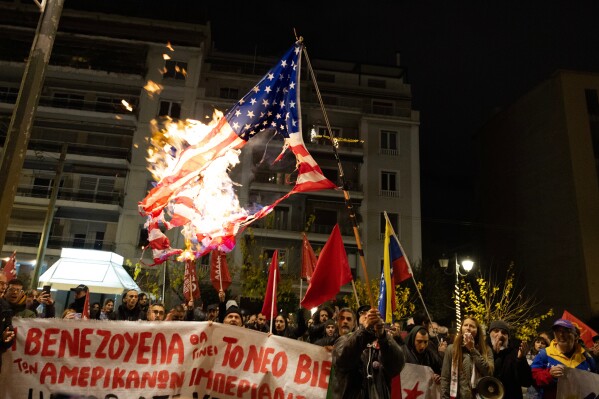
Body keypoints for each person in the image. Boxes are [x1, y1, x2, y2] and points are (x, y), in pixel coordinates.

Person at [331, 305, 405, 398]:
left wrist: (383, 336)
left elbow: (396, 367)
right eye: (363, 313)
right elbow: (343, 360)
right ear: (357, 322)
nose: (368, 315)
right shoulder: (344, 340)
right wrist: (365, 331)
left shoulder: (385, 342)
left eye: (370, 313)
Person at [531, 318, 597, 399]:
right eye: (557, 331)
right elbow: (532, 378)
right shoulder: (544, 354)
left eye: (566, 331)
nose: (561, 335)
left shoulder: (586, 357)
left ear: (575, 336)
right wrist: (549, 375)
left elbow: (595, 383)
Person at [440, 317, 493, 399]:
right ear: (461, 328)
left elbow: (488, 372)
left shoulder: (486, 349)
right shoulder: (452, 349)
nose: (468, 328)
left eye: (472, 326)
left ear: (477, 330)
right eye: (465, 325)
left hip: (480, 395)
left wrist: (472, 349)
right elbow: (445, 378)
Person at [486, 320, 532, 399]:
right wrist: (494, 353)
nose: (500, 335)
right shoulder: (482, 351)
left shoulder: (515, 353)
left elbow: (526, 382)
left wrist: (521, 360)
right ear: (489, 334)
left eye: (504, 332)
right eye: (496, 331)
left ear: (508, 337)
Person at [526, 335, 549, 399]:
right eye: (538, 342)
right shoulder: (528, 355)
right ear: (534, 343)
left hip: (544, 386)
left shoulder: (548, 356)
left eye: (543, 343)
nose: (540, 345)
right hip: (533, 387)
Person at [0, 271, 15, 372]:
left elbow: (9, 330)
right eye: (1, 283)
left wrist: (7, 338)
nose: (4, 287)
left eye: (5, 284)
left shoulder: (5, 307)